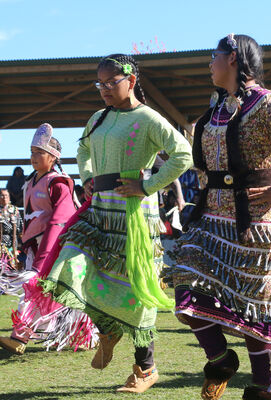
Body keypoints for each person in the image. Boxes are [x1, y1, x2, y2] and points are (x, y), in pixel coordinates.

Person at [171, 34, 271, 400]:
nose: (209, 62)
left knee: (256, 308)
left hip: (257, 221)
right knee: (185, 289)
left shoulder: (266, 105)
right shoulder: (218, 107)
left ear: (234, 59)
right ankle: (221, 359)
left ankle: (264, 387)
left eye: (214, 56)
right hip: (212, 218)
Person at [38, 55, 193, 393]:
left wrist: (148, 185)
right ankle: (108, 328)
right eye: (100, 84)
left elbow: (183, 153)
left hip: (134, 213)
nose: (105, 90)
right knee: (72, 261)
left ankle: (145, 368)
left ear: (131, 81)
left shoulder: (148, 118)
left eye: (111, 83)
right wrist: (89, 177)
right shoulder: (98, 118)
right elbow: (82, 151)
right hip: (100, 208)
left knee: (136, 289)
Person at [0, 124, 96, 355]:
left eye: (39, 153)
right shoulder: (30, 182)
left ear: (53, 157)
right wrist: (25, 246)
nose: (33, 157)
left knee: (44, 287)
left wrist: (46, 252)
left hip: (60, 245)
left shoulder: (59, 182)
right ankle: (80, 333)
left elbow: (60, 220)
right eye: (31, 152)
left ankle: (20, 336)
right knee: (56, 290)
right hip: (37, 245)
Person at [0, 188, 22, 276]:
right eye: (2, 195)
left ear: (9, 197)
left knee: (12, 268)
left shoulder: (15, 210)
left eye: (6, 195)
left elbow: (20, 228)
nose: (4, 197)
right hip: (1, 243)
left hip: (13, 244)